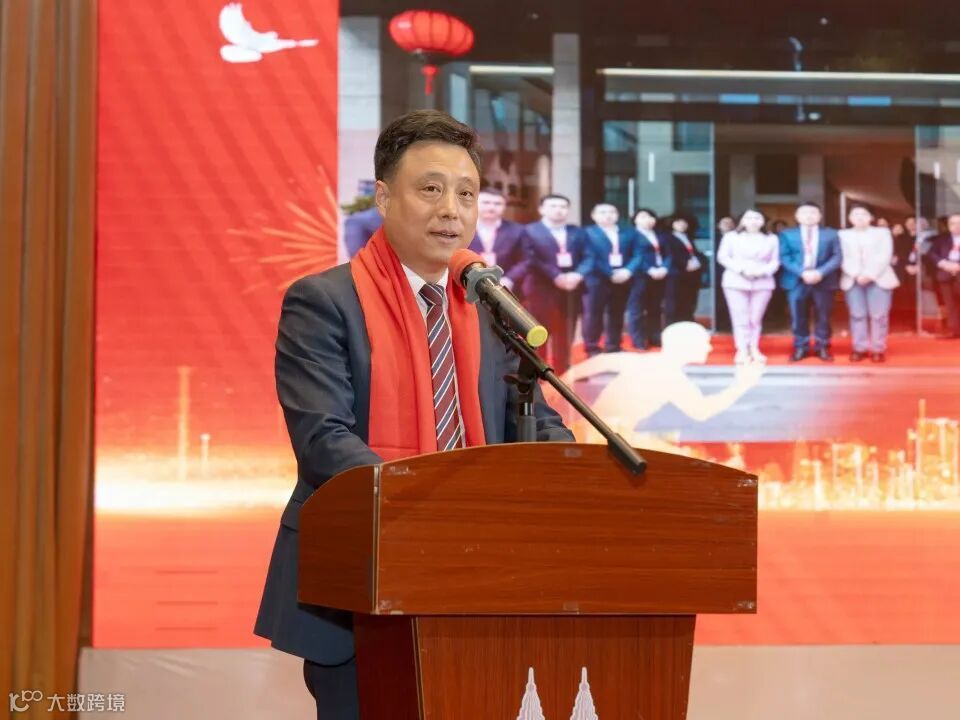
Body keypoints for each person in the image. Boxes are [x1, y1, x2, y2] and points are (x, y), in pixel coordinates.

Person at [253, 110, 574, 720]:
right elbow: (323, 439)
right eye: (430, 189)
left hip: (482, 585)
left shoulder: (490, 307)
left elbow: (530, 416)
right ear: (383, 197)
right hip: (359, 589)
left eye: (466, 194)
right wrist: (433, 518)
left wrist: (575, 471)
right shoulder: (324, 301)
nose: (451, 210)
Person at [522, 193, 590, 373]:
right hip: (541, 288)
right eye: (553, 206)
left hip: (571, 288)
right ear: (542, 209)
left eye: (563, 206)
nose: (558, 210)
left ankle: (562, 369)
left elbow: (589, 256)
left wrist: (578, 274)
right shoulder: (529, 231)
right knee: (538, 329)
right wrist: (556, 276)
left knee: (566, 330)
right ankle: (537, 370)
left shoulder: (577, 232)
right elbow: (531, 258)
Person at [778, 202, 842, 362]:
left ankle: (822, 346)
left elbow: (837, 256)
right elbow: (784, 257)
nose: (809, 216)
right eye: (804, 212)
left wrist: (820, 272)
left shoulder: (831, 234)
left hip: (823, 280)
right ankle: (801, 346)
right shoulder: (787, 234)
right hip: (797, 280)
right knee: (798, 315)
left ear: (819, 216)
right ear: (797, 216)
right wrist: (802, 272)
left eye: (813, 212)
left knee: (823, 315)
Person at [717, 209, 780, 364]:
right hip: (735, 280)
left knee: (755, 318)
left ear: (763, 221)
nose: (753, 221)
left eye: (757, 218)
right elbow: (723, 257)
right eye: (749, 218)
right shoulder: (731, 237)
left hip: (762, 281)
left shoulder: (771, 238)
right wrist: (742, 270)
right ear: (742, 221)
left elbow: (775, 261)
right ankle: (742, 349)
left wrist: (761, 272)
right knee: (740, 318)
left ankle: (754, 348)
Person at [839, 204, 900, 362]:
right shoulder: (842, 235)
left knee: (879, 316)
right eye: (855, 214)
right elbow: (842, 257)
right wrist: (856, 273)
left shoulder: (882, 233)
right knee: (857, 315)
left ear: (871, 217)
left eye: (863, 214)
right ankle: (859, 348)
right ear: (850, 218)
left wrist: (870, 274)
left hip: (879, 278)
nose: (859, 217)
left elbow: (885, 255)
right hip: (853, 278)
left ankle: (878, 348)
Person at [581, 203, 640, 355]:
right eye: (602, 212)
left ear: (618, 215)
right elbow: (589, 256)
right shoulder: (586, 233)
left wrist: (628, 270)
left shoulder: (629, 232)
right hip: (596, 279)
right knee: (593, 314)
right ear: (593, 216)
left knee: (617, 312)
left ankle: (613, 345)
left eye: (612, 212)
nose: (608, 215)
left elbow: (638, 254)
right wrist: (610, 273)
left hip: (623, 277)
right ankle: (592, 347)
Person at [467, 187, 527, 294]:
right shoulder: (461, 228)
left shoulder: (518, 231)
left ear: (504, 206)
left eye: (497, 204)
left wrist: (510, 278)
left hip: (505, 287)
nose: (491, 207)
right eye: (486, 202)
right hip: (466, 286)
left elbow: (526, 260)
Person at [628, 208, 671, 349]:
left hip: (660, 274)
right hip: (640, 275)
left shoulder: (660, 235)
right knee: (637, 308)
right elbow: (635, 256)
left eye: (651, 216)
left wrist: (665, 267)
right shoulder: (631, 235)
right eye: (643, 217)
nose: (648, 219)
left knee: (655, 307)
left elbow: (668, 253)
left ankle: (655, 337)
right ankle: (638, 340)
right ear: (635, 220)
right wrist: (649, 269)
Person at [665, 214, 709, 324]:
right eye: (678, 222)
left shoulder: (687, 237)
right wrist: (685, 263)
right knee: (675, 302)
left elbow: (695, 253)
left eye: (684, 222)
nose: (682, 225)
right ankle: (673, 326)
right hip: (677, 275)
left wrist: (700, 262)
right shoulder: (668, 238)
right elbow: (670, 255)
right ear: (672, 224)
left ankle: (687, 323)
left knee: (689, 301)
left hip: (691, 275)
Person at [926, 212, 960, 339]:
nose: (956, 226)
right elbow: (932, 253)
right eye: (953, 223)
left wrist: (957, 266)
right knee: (950, 305)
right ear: (948, 225)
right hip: (945, 275)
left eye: (959, 223)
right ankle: (954, 331)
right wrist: (943, 264)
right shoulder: (941, 239)